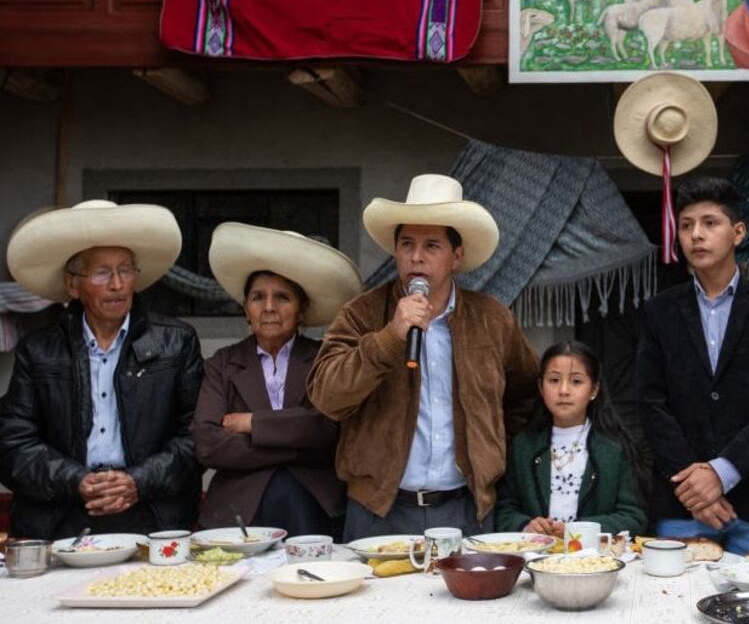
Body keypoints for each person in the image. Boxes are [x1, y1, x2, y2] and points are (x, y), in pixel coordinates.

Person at [308, 174, 539, 540]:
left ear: (456, 256)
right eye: (406, 244)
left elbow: (526, 394)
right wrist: (389, 337)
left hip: (468, 508)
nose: (416, 256)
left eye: (432, 245)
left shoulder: (493, 319)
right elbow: (326, 397)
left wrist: (488, 446)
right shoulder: (362, 314)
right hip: (378, 510)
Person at [0, 200, 203, 539]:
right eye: (101, 272)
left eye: (125, 270)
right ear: (72, 284)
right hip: (60, 518)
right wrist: (76, 481)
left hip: (151, 515)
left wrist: (137, 481)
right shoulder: (37, 351)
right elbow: (12, 444)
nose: (117, 284)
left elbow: (198, 436)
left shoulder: (177, 342)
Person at [636, 176, 749, 555]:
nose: (697, 235)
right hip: (681, 502)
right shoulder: (658, 311)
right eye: (688, 225)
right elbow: (650, 402)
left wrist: (721, 472)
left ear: (738, 232)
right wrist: (696, 488)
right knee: (673, 607)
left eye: (710, 223)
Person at [192, 223, 362, 537]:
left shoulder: (327, 357)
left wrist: (253, 423)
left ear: (301, 311)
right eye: (258, 297)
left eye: (282, 297)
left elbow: (329, 428)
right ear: (246, 308)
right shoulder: (222, 364)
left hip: (314, 505)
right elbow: (208, 444)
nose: (269, 307)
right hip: (237, 510)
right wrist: (296, 443)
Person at [495, 341, 646, 537]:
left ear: (594, 390)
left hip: (593, 560)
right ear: (541, 388)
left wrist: (577, 530)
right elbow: (504, 509)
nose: (563, 390)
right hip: (535, 557)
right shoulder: (523, 446)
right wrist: (526, 526)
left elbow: (634, 518)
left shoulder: (614, 448)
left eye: (576, 381)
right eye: (554, 380)